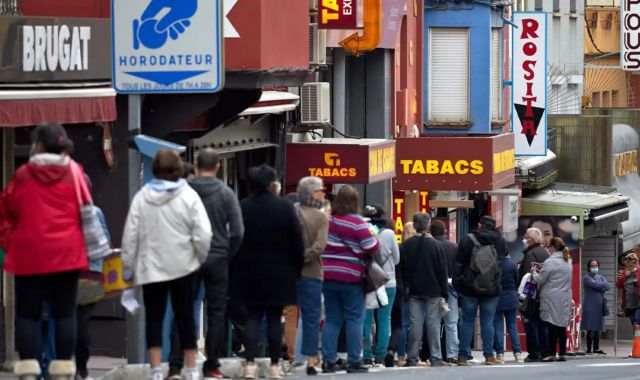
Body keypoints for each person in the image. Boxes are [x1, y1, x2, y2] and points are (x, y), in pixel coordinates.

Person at [0, 123, 89, 379]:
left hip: (30, 254)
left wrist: (13, 243)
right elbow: (86, 210)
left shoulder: (23, 175)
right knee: (65, 314)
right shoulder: (75, 172)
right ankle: (63, 369)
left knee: (28, 315)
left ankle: (28, 368)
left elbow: (5, 212)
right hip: (68, 255)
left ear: (38, 144)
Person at [122, 149, 213, 380]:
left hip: (150, 266)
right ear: (177, 169)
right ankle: (191, 368)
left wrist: (127, 269)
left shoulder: (142, 197)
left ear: (155, 170)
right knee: (185, 317)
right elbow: (203, 233)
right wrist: (199, 257)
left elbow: (130, 236)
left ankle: (155, 369)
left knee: (154, 317)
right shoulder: (188, 196)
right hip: (184, 265)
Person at [167, 148, 245, 379]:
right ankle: (212, 365)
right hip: (217, 257)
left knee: (182, 310)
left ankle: (175, 364)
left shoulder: (184, 192)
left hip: (188, 257)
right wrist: (226, 254)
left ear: (196, 164)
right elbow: (238, 231)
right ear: (218, 167)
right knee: (217, 312)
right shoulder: (226, 193)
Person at [232, 164, 304, 379]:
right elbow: (297, 243)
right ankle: (274, 365)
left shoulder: (243, 206)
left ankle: (251, 365)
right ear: (273, 184)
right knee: (274, 319)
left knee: (252, 317)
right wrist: (296, 270)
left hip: (250, 270)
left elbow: (236, 238)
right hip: (280, 272)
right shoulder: (285, 208)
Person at [321, 185, 379, 374]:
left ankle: (329, 360)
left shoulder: (327, 221)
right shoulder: (358, 223)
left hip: (328, 274)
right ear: (355, 202)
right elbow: (370, 246)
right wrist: (375, 237)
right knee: (354, 318)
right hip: (351, 276)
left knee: (332, 319)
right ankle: (354, 360)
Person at [455, 216, 506, 366]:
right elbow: (501, 261)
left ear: (479, 225)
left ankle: (463, 356)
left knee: (467, 321)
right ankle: (489, 356)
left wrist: (459, 284)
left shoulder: (468, 239)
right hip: (491, 288)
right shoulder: (500, 241)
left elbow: (459, 262)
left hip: (470, 287)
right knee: (487, 322)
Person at [402, 213, 449, 367]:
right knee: (433, 324)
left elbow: (403, 269)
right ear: (428, 224)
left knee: (415, 324)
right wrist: (444, 293)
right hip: (433, 290)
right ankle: (435, 357)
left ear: (414, 225)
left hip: (414, 290)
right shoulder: (436, 245)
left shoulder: (407, 245)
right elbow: (442, 271)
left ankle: (412, 357)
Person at [295, 176, 329, 375]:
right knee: (311, 317)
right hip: (312, 272)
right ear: (312, 194)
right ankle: (309, 359)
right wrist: (305, 257)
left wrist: (293, 259)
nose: (323, 194)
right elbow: (320, 246)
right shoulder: (321, 217)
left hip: (290, 271)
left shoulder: (293, 212)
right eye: (320, 190)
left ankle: (265, 357)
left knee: (276, 313)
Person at [362, 205, 400, 367]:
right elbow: (397, 259)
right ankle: (381, 355)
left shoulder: (362, 229)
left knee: (366, 320)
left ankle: (366, 354)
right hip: (388, 280)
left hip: (368, 280)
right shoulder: (389, 233)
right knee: (385, 319)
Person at [533, 237, 573, 362]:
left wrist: (534, 272)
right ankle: (562, 353)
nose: (548, 249)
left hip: (551, 298)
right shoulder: (568, 261)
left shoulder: (550, 262)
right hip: (564, 297)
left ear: (553, 247)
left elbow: (540, 279)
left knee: (551, 326)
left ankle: (551, 353)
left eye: (548, 247)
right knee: (561, 326)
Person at [430, 220, 460, 365]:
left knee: (434, 322)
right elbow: (459, 268)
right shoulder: (454, 247)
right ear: (445, 231)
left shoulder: (430, 246)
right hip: (451, 288)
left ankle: (435, 355)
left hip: (434, 288)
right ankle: (452, 354)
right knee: (451, 323)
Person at [518, 227, 550, 362]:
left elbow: (528, 277)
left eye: (526, 236)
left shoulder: (530, 255)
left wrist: (525, 298)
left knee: (531, 324)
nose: (524, 239)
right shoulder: (545, 253)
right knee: (542, 325)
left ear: (531, 240)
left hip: (532, 295)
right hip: (544, 295)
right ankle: (545, 351)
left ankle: (534, 352)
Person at [389, 222, 417, 367]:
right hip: (412, 289)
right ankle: (410, 354)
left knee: (401, 323)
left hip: (398, 288)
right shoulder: (418, 246)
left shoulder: (401, 247)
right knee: (413, 323)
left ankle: (399, 354)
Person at [493, 253, 523, 364]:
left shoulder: (493, 264)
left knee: (498, 326)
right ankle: (518, 354)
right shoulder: (512, 264)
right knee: (512, 325)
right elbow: (517, 281)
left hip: (496, 298)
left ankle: (500, 354)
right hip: (511, 298)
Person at [581, 260, 610, 355]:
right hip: (590, 305)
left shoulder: (600, 276)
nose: (594, 267)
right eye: (592, 265)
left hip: (599, 305)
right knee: (591, 326)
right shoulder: (586, 278)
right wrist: (602, 285)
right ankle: (589, 348)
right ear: (588, 267)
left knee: (598, 326)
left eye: (596, 265)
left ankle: (596, 348)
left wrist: (602, 285)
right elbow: (597, 285)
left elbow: (608, 286)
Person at [616, 253, 640, 331]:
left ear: (636, 262)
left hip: (638, 302)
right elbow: (618, 285)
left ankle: (638, 341)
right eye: (627, 265)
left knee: (636, 321)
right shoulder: (624, 272)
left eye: (631, 265)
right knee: (633, 322)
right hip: (628, 303)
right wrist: (625, 276)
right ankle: (637, 340)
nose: (629, 267)